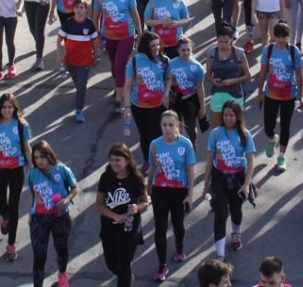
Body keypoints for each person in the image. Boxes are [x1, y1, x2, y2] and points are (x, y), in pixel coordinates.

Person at [204, 101, 256, 261]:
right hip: (219, 178)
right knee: (220, 214)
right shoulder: (215, 134)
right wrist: (206, 184)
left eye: (231, 115)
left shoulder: (245, 134)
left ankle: (236, 233)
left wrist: (247, 185)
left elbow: (251, 161)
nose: (228, 118)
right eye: (225, 115)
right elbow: (209, 159)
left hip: (238, 178)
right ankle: (220, 253)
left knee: (236, 210)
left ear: (238, 116)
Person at [148, 110, 197, 281]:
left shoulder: (186, 145)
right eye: (164, 125)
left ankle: (179, 246)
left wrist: (190, 194)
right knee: (160, 228)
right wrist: (147, 190)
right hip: (159, 190)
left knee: (178, 224)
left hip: (179, 191)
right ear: (160, 126)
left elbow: (191, 170)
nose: (167, 128)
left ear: (177, 125)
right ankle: (162, 265)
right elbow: (152, 168)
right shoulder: (154, 144)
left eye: (171, 125)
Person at [0, 93, 32, 262]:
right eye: (4, 107)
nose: (7, 110)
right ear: (0, 108)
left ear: (14, 108)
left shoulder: (21, 125)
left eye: (10, 107)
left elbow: (26, 148)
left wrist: (32, 170)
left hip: (17, 169)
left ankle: (11, 244)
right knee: (1, 204)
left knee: (14, 206)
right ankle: (5, 218)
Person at [95, 143, 150, 287]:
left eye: (117, 160)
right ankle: (126, 277)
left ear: (127, 160)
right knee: (112, 264)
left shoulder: (135, 179)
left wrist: (137, 207)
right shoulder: (106, 177)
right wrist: (115, 216)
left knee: (124, 264)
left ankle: (125, 279)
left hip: (129, 230)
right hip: (109, 228)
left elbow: (145, 202)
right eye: (111, 160)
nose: (114, 163)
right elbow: (99, 204)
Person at [27, 140, 80, 287]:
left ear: (49, 155)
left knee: (61, 248)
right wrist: (30, 215)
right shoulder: (32, 174)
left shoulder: (62, 169)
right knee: (39, 255)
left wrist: (67, 199)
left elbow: (75, 187)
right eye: (36, 158)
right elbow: (31, 196)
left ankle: (62, 274)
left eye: (42, 157)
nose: (39, 161)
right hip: (39, 218)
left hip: (60, 217)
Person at [258, 21, 303, 173]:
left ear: (288, 37)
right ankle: (272, 139)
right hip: (271, 94)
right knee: (268, 126)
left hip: (288, 95)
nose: (281, 40)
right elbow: (263, 71)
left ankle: (281, 157)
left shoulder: (293, 51)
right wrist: (259, 92)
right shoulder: (269, 50)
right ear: (274, 37)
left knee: (285, 126)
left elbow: (299, 73)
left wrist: (301, 96)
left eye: (284, 37)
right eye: (278, 37)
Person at [95, 0, 144, 111]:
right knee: (114, 66)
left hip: (126, 36)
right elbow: (96, 17)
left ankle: (118, 102)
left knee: (119, 66)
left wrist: (139, 32)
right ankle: (119, 87)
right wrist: (97, 35)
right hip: (108, 36)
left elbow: (135, 15)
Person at [124, 31, 170, 163]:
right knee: (145, 135)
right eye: (153, 46)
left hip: (159, 105)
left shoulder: (164, 60)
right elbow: (127, 86)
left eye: (158, 45)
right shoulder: (134, 61)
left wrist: (166, 93)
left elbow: (168, 78)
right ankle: (147, 160)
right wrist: (127, 108)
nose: (157, 48)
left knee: (156, 134)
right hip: (139, 105)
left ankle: (159, 160)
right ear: (145, 47)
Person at [55, 0, 101, 123]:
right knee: (77, 81)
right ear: (73, 9)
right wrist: (59, 55)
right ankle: (80, 94)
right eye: (76, 8)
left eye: (82, 7)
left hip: (85, 61)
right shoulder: (68, 23)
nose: (79, 10)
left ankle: (79, 110)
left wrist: (95, 55)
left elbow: (94, 41)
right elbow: (59, 40)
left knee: (81, 85)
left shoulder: (89, 24)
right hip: (70, 61)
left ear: (86, 10)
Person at [206, 24, 252, 126]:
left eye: (226, 42)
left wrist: (232, 81)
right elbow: (208, 75)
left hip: (235, 95)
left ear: (232, 39)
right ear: (217, 39)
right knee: (216, 129)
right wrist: (213, 80)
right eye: (220, 41)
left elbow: (247, 75)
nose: (223, 44)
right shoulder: (211, 53)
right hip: (217, 94)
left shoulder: (239, 53)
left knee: (236, 128)